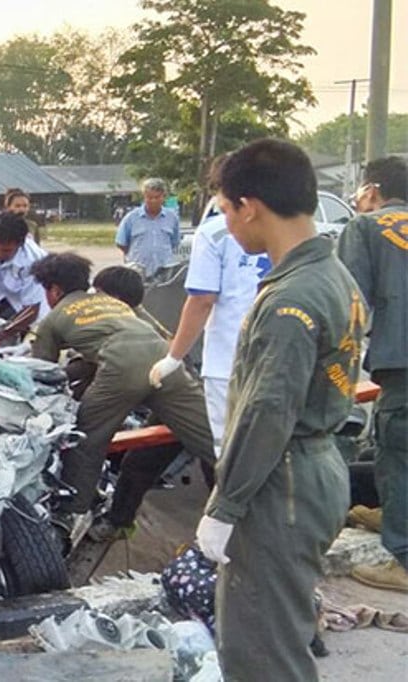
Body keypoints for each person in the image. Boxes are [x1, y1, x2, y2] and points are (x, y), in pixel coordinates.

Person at [195, 139, 366, 681]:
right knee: (281, 634)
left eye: (225, 210)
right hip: (312, 468)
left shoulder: (291, 300)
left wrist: (224, 508)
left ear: (250, 206)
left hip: (281, 481)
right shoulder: (333, 277)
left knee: (261, 652)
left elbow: (267, 412)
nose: (227, 223)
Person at [29, 253, 214, 531]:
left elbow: (42, 374)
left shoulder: (53, 319)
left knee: (85, 441)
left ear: (53, 290)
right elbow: (148, 336)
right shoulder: (114, 303)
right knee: (211, 436)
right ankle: (249, 490)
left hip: (120, 368)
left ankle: (68, 516)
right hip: (166, 361)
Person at [149, 168, 272, 457]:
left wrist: (173, 357)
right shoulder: (286, 228)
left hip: (229, 357)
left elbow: (202, 300)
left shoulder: (214, 232)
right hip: (278, 357)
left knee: (230, 450)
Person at [337, 155, 408, 592]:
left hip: (402, 365)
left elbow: (348, 306)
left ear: (372, 190)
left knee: (396, 451)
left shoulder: (366, 227)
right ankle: (392, 514)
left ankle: (402, 559)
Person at [115, 178, 180, 277]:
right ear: (144, 197)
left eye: (157, 197)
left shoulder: (172, 218)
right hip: (137, 272)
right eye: (149, 197)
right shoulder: (131, 218)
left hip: (164, 272)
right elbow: (121, 243)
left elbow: (174, 243)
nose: (153, 201)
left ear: (163, 197)